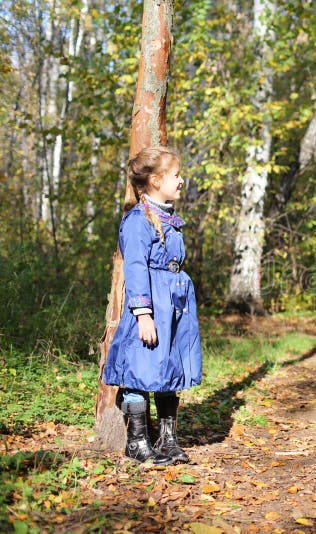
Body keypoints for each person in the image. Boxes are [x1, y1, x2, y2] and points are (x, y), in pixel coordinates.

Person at [103, 146, 202, 465]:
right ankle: (137, 443)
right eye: (176, 175)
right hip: (150, 308)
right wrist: (143, 314)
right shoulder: (137, 221)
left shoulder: (170, 218)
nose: (181, 180)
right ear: (156, 180)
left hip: (172, 306)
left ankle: (168, 440)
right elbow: (134, 268)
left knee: (167, 367)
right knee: (141, 369)